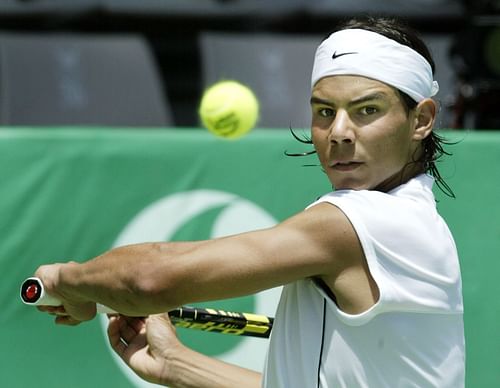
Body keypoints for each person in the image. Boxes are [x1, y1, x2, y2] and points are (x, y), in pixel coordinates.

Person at [34, 16, 465, 387]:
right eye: (324, 112)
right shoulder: (411, 219)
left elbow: (150, 279)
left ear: (421, 120)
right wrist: (178, 365)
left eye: (367, 111)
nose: (339, 133)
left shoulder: (364, 221)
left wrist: (67, 280)